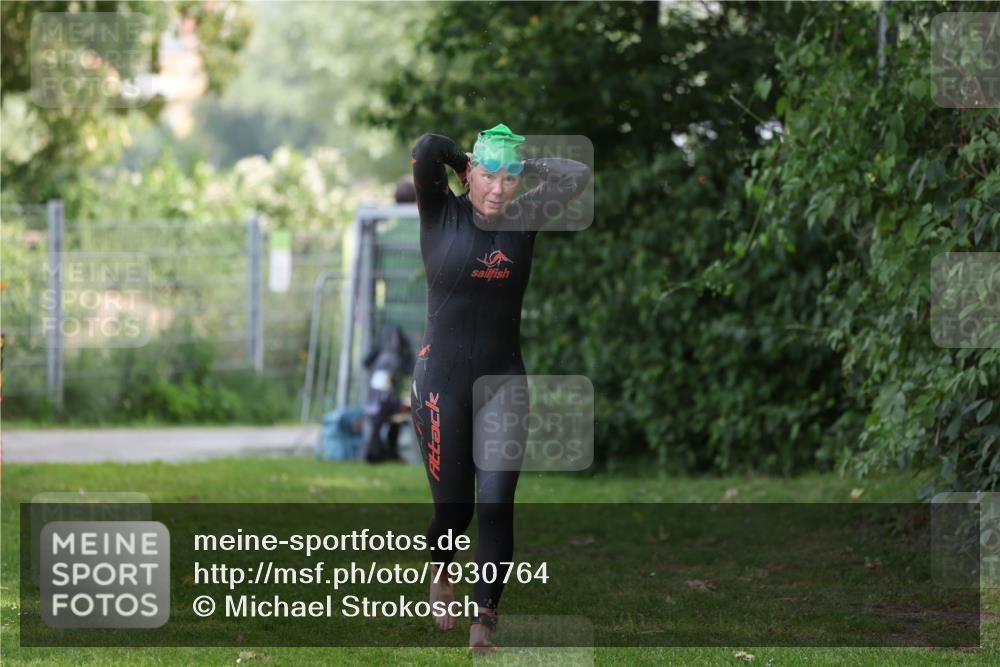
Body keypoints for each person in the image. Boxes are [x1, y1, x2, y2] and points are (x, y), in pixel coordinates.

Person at [408, 123, 590, 651]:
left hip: (503, 382)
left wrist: (524, 167)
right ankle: (441, 568)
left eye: (508, 179)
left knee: (494, 501)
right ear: (468, 175)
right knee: (454, 509)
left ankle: (483, 619)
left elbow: (575, 174)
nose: (497, 189)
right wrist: (467, 157)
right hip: (440, 381)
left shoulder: (525, 218)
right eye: (488, 176)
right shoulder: (440, 212)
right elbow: (425, 149)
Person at [361, 321, 414, 462]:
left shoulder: (383, 351)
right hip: (385, 396)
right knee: (384, 422)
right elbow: (410, 368)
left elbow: (366, 363)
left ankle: (381, 453)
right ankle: (375, 454)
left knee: (386, 422)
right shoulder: (393, 353)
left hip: (382, 396)